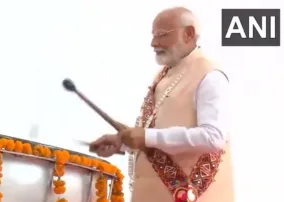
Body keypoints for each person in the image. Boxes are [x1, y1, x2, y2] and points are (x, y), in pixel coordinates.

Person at [89, 7, 234, 202]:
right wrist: (122, 143)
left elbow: (214, 137)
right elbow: (157, 140)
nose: (153, 43)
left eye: (162, 35)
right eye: (153, 35)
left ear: (188, 34)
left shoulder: (209, 74)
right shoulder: (165, 75)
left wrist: (146, 136)